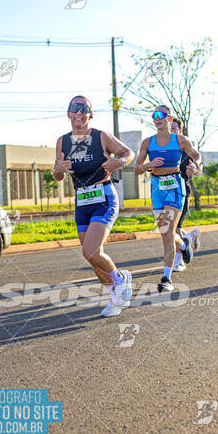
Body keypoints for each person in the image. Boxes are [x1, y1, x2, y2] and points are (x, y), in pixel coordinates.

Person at [53, 96, 135, 316]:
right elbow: (58, 175)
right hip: (82, 201)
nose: (78, 112)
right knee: (90, 256)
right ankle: (115, 297)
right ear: (68, 113)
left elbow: (129, 153)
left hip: (104, 198)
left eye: (83, 109)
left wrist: (120, 162)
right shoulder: (63, 141)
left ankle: (121, 279)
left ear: (90, 114)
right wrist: (59, 169)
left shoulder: (101, 137)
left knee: (92, 250)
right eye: (74, 108)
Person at [134, 105, 201, 292]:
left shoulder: (180, 140)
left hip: (175, 186)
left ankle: (166, 278)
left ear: (169, 119)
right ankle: (185, 242)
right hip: (157, 188)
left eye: (161, 114)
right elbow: (137, 168)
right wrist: (149, 164)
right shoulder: (148, 142)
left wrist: (196, 167)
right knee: (166, 231)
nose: (158, 118)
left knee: (167, 231)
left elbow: (197, 157)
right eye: (154, 115)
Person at [170, 117, 202, 272]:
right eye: (169, 128)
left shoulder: (185, 148)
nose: (171, 130)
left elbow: (199, 164)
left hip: (182, 192)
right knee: (171, 227)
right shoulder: (162, 148)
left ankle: (178, 261)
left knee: (173, 228)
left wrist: (195, 168)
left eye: (174, 128)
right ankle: (190, 236)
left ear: (180, 131)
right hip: (165, 193)